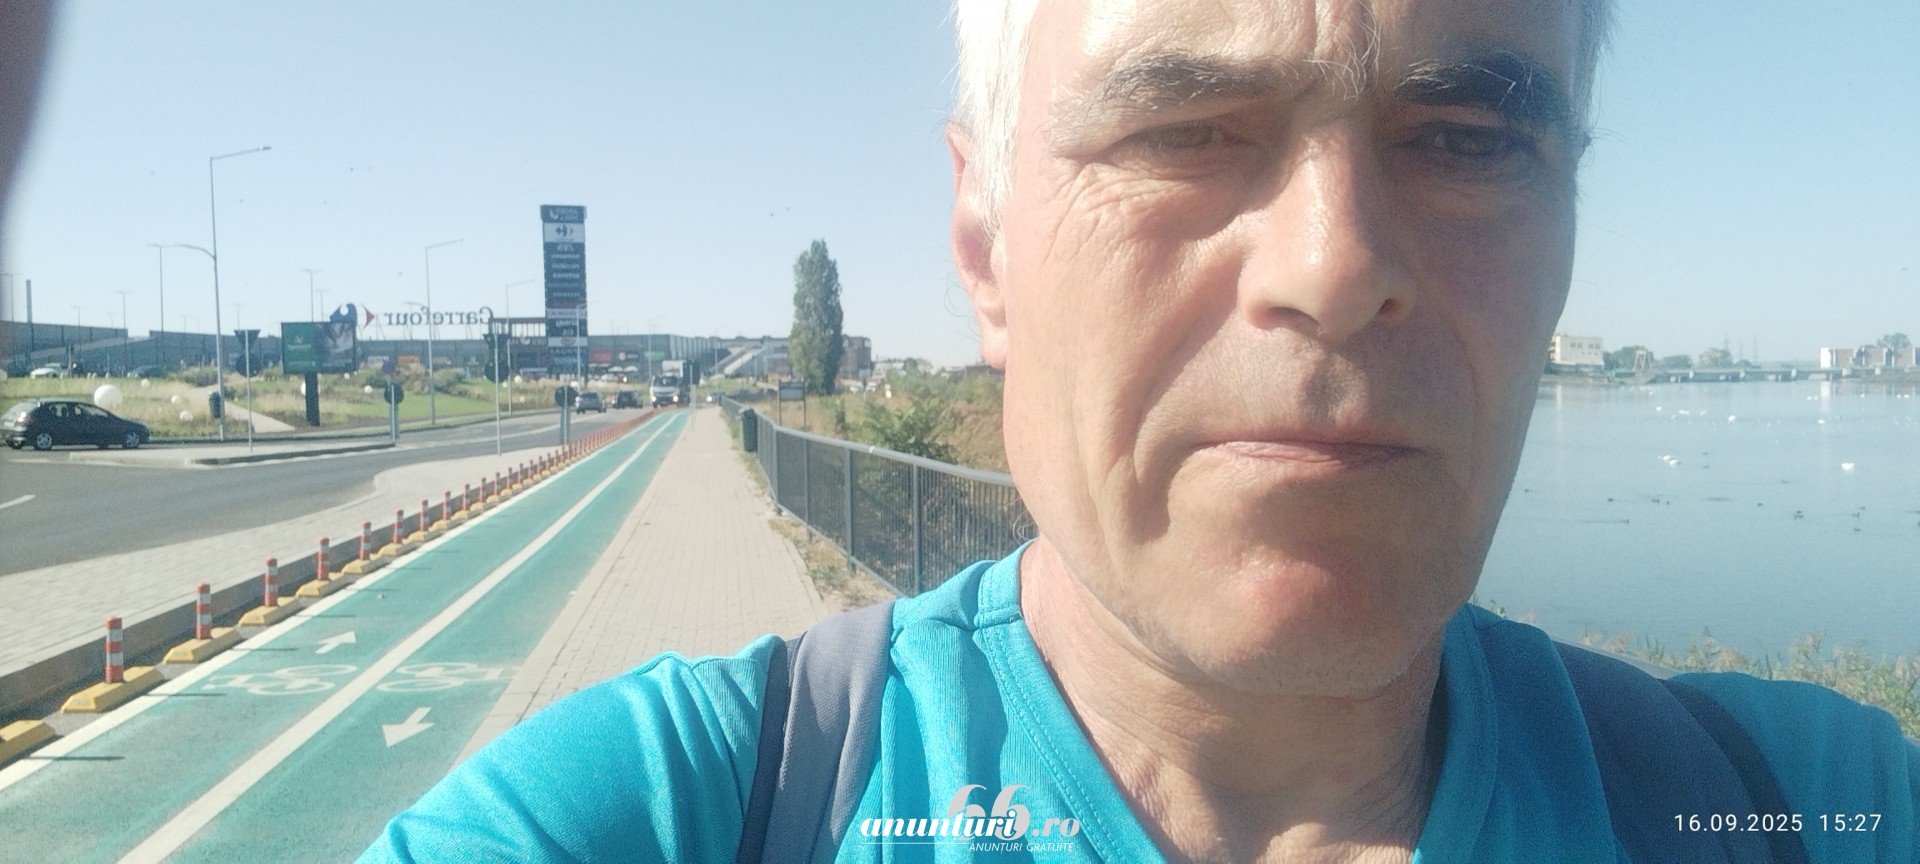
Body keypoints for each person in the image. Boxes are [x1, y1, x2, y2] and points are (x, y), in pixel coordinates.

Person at [366, 0, 1918, 861]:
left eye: (1464, 140)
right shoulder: (672, 819)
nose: (1335, 266)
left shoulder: (1798, 811)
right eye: (1184, 131)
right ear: (985, 250)